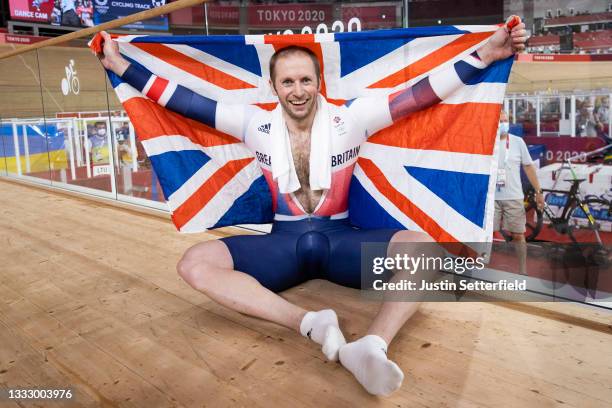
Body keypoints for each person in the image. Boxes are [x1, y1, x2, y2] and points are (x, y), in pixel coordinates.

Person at [96, 19, 527, 396]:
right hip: (282, 244)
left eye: (305, 81)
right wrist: (121, 66)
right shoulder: (253, 124)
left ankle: (371, 345)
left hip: (340, 241)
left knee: (427, 250)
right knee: (194, 264)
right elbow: (182, 100)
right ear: (274, 87)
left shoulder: (351, 119)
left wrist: (487, 52)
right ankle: (309, 322)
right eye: (288, 82)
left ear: (318, 82)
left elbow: (421, 93)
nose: (297, 91)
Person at [493, 111, 544, 275]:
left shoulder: (517, 142)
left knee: (518, 235)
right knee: (485, 236)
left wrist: (538, 191)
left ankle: (523, 272)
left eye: (506, 120)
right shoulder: (487, 141)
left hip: (513, 197)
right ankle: (483, 268)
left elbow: (528, 167)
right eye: (501, 121)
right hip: (491, 198)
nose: (504, 124)